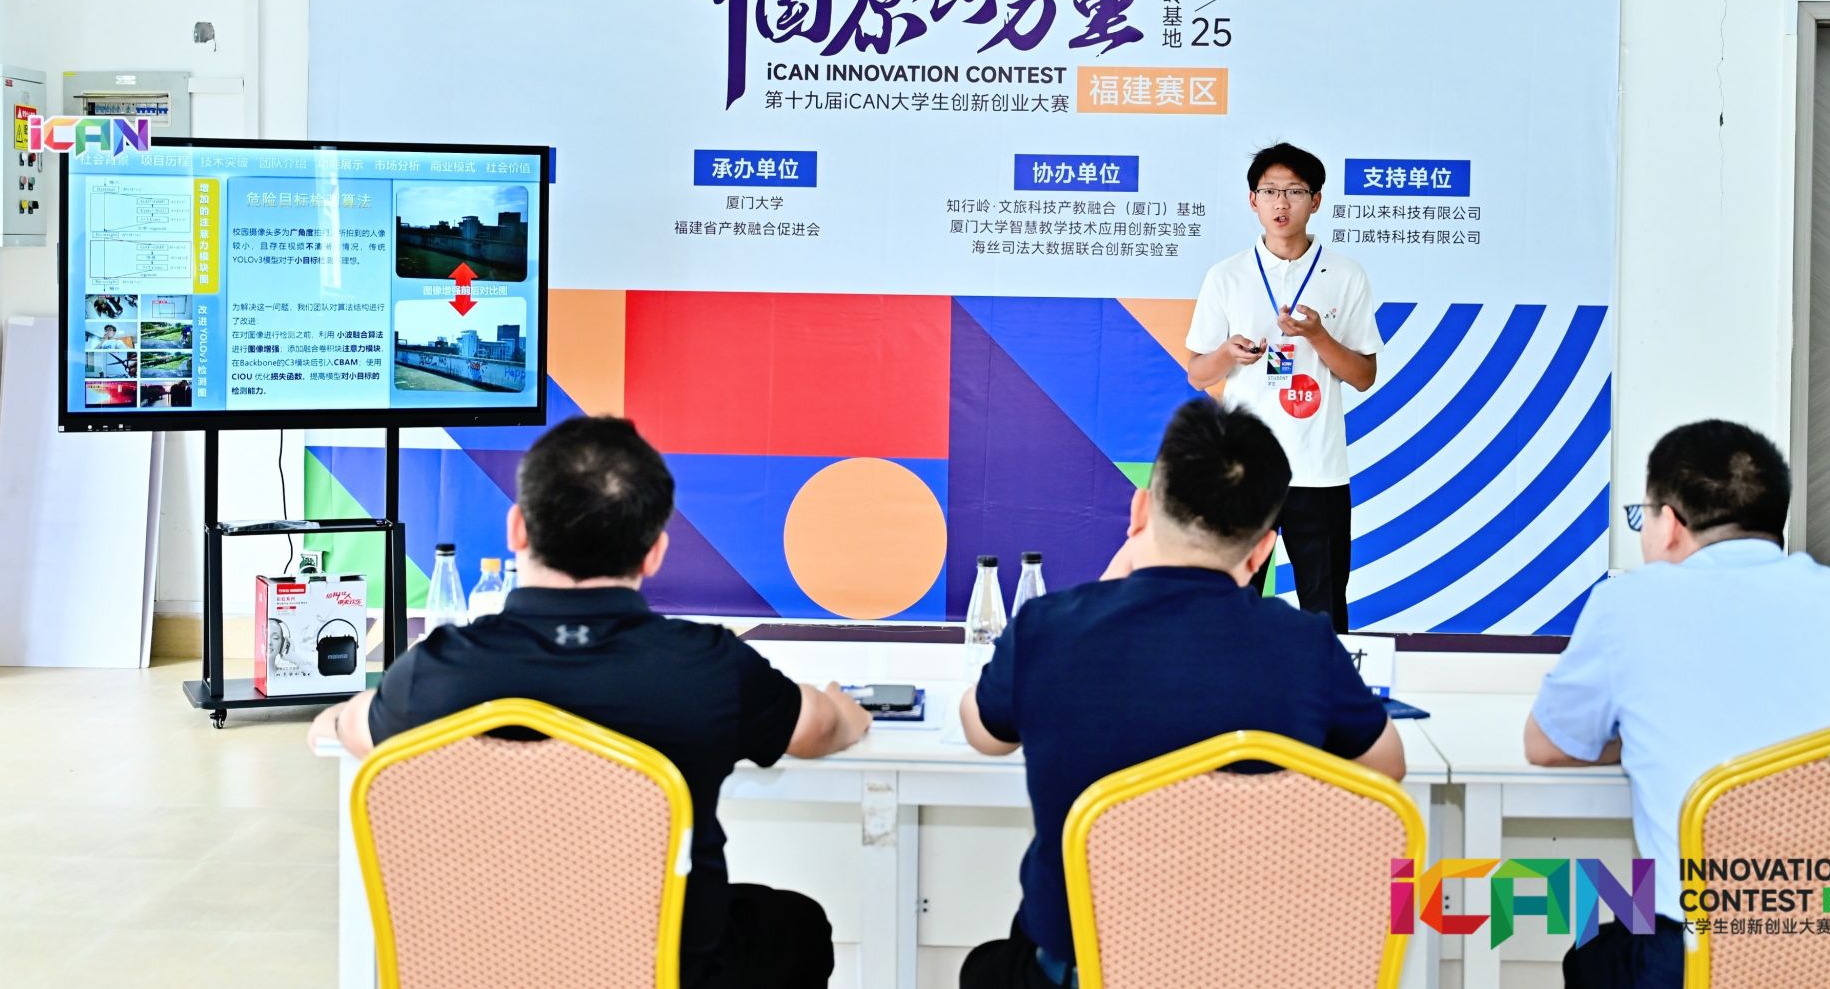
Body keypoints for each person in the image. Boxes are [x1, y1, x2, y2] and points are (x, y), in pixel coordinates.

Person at [306, 415, 870, 989]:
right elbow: (821, 729)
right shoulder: (708, 667)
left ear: (517, 529)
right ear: (654, 552)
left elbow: (351, 727)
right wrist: (844, 707)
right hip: (668, 972)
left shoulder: (435, 674)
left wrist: (336, 714)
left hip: (480, 966)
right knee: (796, 924)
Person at [957, 398, 1406, 989]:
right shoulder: (1304, 645)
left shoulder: (1047, 630)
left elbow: (982, 732)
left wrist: (1107, 587)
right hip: (1256, 971)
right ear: (1262, 549)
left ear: (1140, 509)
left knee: (986, 968)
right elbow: (1387, 766)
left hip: (1087, 974)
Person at [1526, 420, 1830, 989]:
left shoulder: (1629, 604)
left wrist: (1644, 740)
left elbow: (1547, 745)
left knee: (1592, 952)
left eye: (1642, 517)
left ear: (1669, 525)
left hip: (1704, 955)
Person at [1171, 142, 1380, 630]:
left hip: (1318, 470)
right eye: (1269, 191)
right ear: (1253, 201)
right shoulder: (1226, 276)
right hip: (1244, 471)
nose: (1281, 203)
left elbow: (1363, 376)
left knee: (1325, 610)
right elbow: (1198, 375)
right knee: (1231, 608)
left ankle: (1321, 682)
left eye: (1294, 191)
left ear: (1316, 200)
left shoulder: (1346, 275)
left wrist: (1317, 336)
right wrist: (1228, 353)